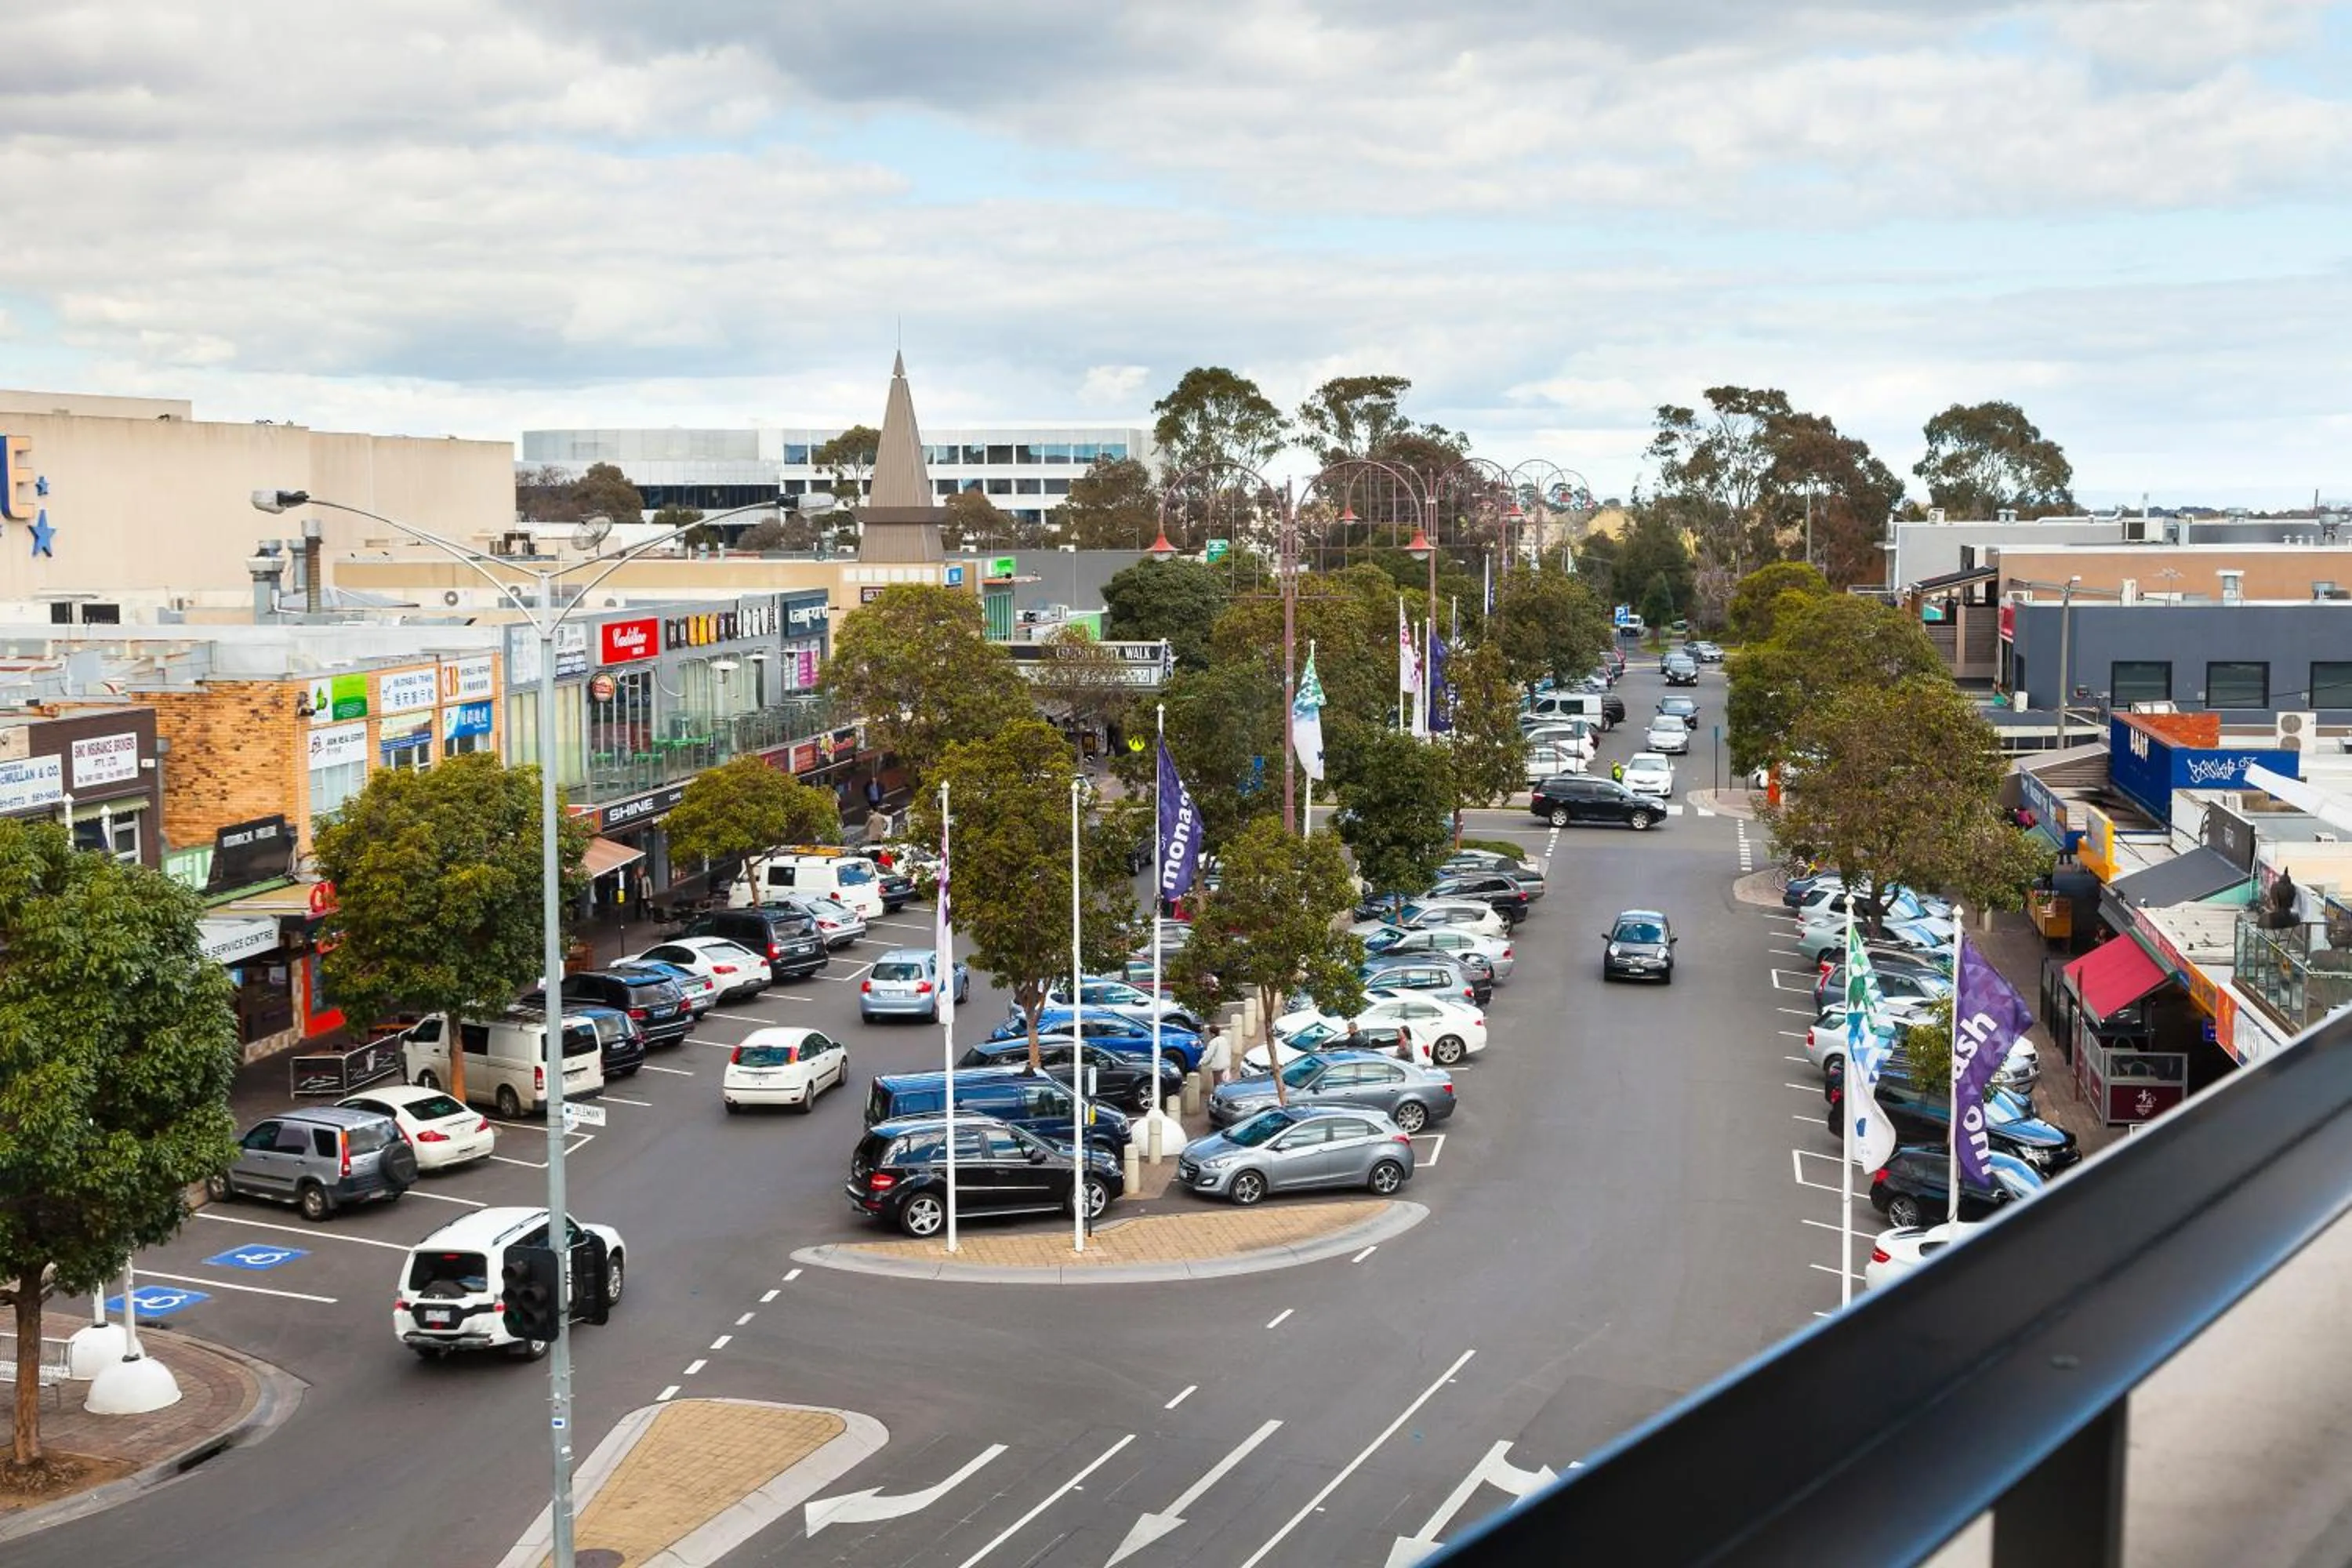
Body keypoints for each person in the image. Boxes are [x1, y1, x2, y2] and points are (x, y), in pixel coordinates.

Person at [1203, 1022, 1234, 1086]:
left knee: (1218, 1085)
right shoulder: (1224, 1039)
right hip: (1226, 1066)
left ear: (1212, 1034)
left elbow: (1209, 1056)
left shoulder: (1213, 1042)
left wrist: (1202, 1063)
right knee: (1226, 1084)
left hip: (1218, 1068)